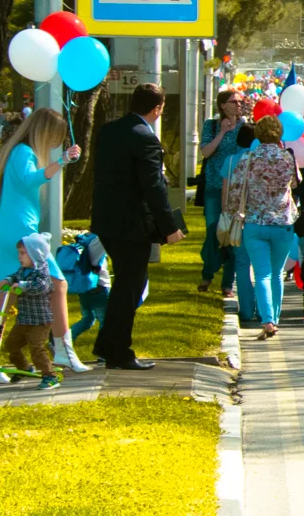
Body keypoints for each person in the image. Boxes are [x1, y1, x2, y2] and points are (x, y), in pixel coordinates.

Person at [88, 83, 184, 369]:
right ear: (157, 108)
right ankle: (118, 351)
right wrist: (169, 227)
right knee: (130, 285)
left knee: (126, 283)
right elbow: (153, 187)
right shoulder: (146, 138)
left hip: (107, 220)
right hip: (132, 225)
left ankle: (108, 344)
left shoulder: (109, 131)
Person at [0, 105, 77, 371]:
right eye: (55, 137)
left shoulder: (19, 151)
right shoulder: (25, 152)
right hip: (22, 231)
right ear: (46, 132)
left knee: (3, 295)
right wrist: (62, 161)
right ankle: (64, 351)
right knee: (58, 284)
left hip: (9, 229)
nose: (56, 143)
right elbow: (30, 180)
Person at [233, 114, 299, 340]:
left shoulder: (248, 158)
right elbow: (295, 183)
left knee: (262, 274)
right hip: (282, 221)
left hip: (254, 221)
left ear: (258, 134)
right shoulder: (287, 157)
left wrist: (232, 213)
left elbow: (236, 190)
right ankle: (275, 318)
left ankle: (267, 320)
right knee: (277, 273)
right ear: (279, 133)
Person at [196, 90, 248, 294]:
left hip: (236, 188)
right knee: (213, 231)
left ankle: (227, 283)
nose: (238, 105)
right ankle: (208, 273)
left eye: (240, 102)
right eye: (234, 102)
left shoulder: (245, 127)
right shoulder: (212, 126)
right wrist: (222, 132)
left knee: (233, 233)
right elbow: (205, 152)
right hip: (214, 185)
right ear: (223, 105)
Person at [0, 233, 62, 389]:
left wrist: (22, 286)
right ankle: (24, 368)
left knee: (36, 348)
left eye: (22, 253)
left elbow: (41, 287)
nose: (19, 257)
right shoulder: (23, 270)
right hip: (24, 319)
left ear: (35, 254)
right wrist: (8, 280)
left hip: (39, 321)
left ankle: (50, 376)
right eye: (19, 253)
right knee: (11, 345)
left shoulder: (42, 272)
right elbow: (15, 276)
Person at [54, 230, 108, 365]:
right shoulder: (98, 240)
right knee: (106, 320)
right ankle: (104, 352)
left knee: (88, 318)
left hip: (83, 284)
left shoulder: (84, 240)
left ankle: (61, 344)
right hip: (99, 285)